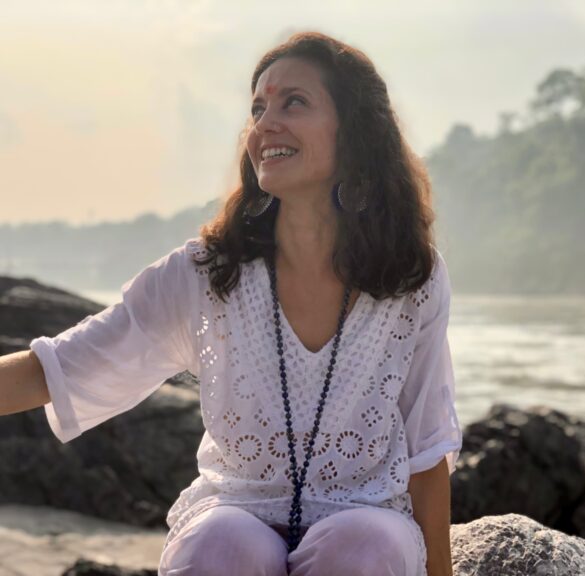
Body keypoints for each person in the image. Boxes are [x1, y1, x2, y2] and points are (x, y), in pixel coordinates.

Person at [0, 31, 462, 576]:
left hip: (367, 519)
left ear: (356, 131)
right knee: (224, 543)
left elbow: (427, 446)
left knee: (363, 544)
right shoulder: (206, 272)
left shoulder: (412, 277)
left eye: (295, 102)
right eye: (258, 107)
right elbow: (57, 368)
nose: (266, 123)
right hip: (235, 513)